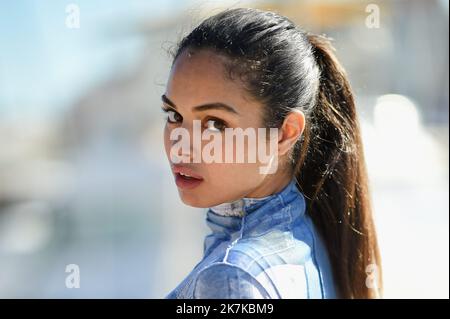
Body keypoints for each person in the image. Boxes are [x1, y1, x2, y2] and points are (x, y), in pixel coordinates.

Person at [161, 7, 382, 299]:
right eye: (174, 115)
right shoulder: (313, 239)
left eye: (215, 123)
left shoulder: (231, 278)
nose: (181, 145)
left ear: (285, 132)